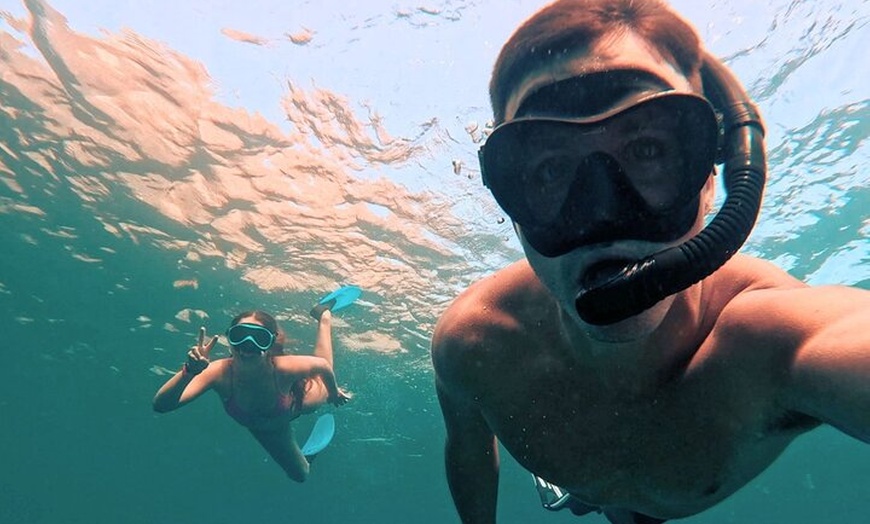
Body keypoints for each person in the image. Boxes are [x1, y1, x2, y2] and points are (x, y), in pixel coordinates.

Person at [430, 0, 870, 523]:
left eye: (648, 152)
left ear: (712, 177)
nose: (601, 215)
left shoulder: (773, 340)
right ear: (509, 198)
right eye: (548, 171)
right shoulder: (475, 343)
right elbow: (469, 449)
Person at [153, 306, 351, 482]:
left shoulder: (284, 368)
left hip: (299, 403)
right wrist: (189, 371)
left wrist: (333, 393)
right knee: (300, 475)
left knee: (321, 387)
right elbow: (161, 406)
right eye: (240, 336)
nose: (247, 346)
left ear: (270, 343)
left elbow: (322, 366)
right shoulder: (217, 373)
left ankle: (324, 317)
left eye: (259, 338)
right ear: (229, 339)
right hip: (269, 430)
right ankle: (305, 458)